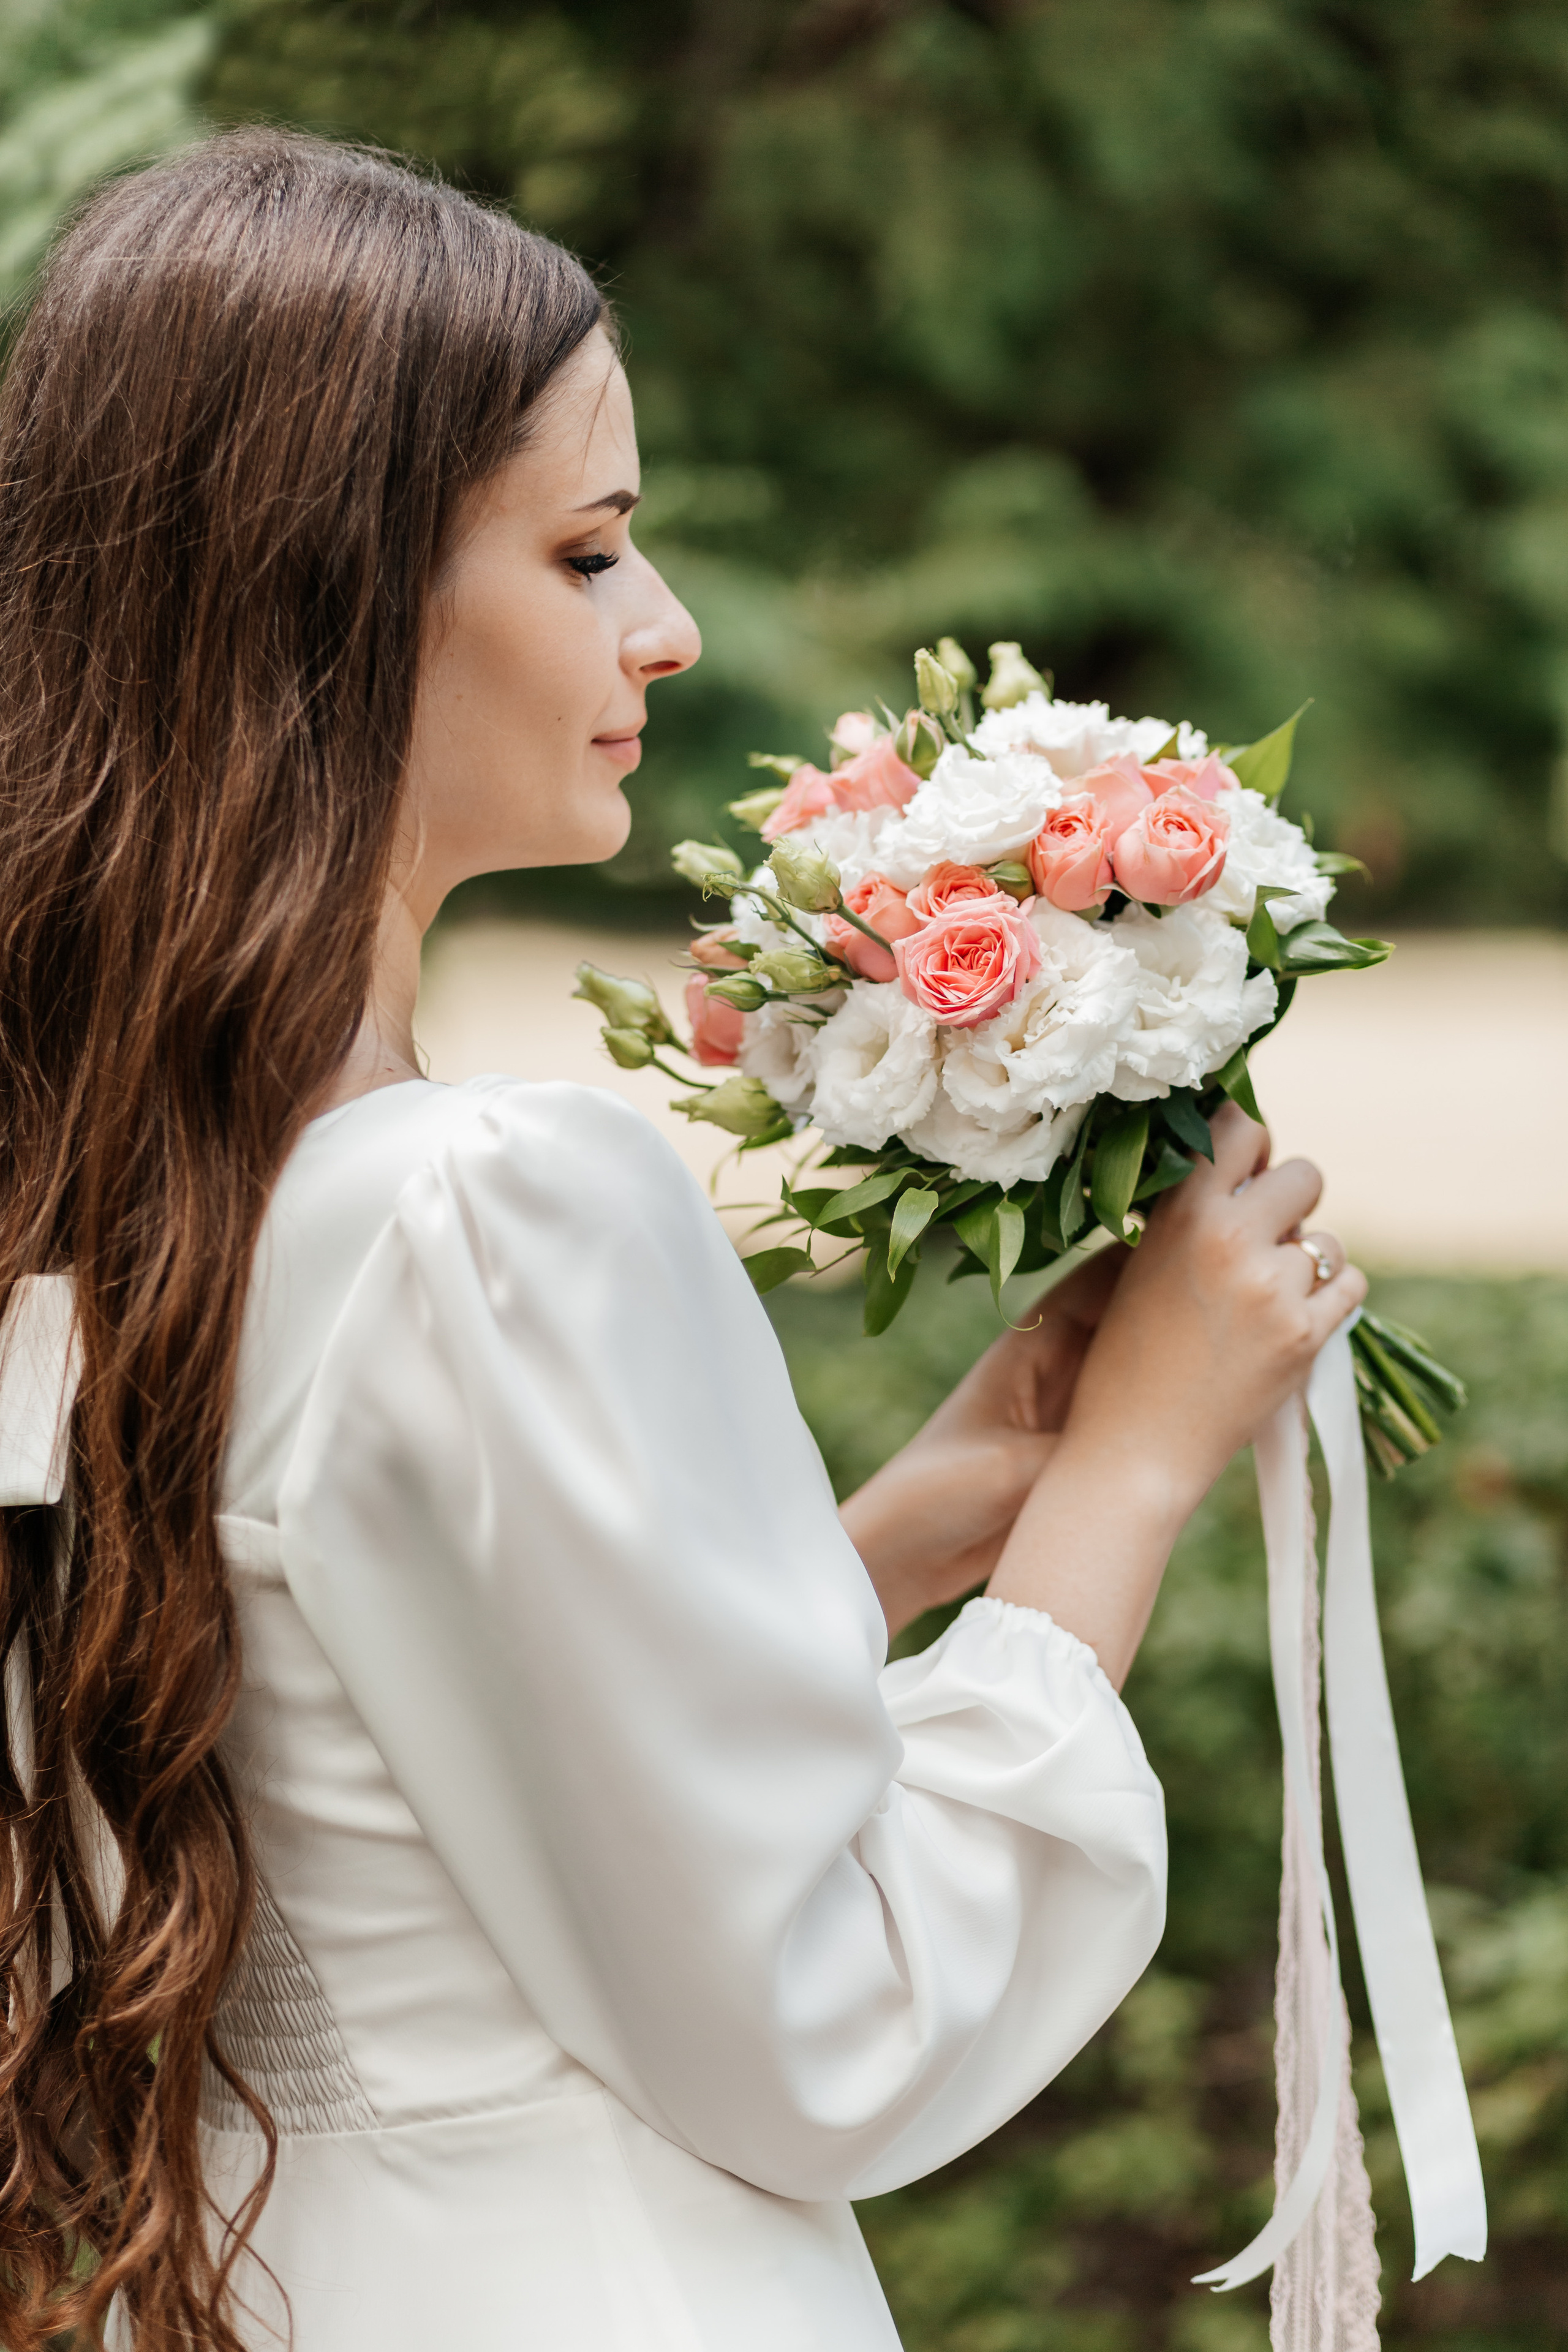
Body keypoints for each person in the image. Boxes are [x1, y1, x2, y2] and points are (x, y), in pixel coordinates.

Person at [0, 130, 1365, 2352]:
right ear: (330, 592)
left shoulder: (105, 1210)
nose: (670, 628)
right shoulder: (491, 1200)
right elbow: (824, 2015)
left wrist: (931, 1513)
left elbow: (408, 1764)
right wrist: (1128, 1479)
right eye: (588, 549)